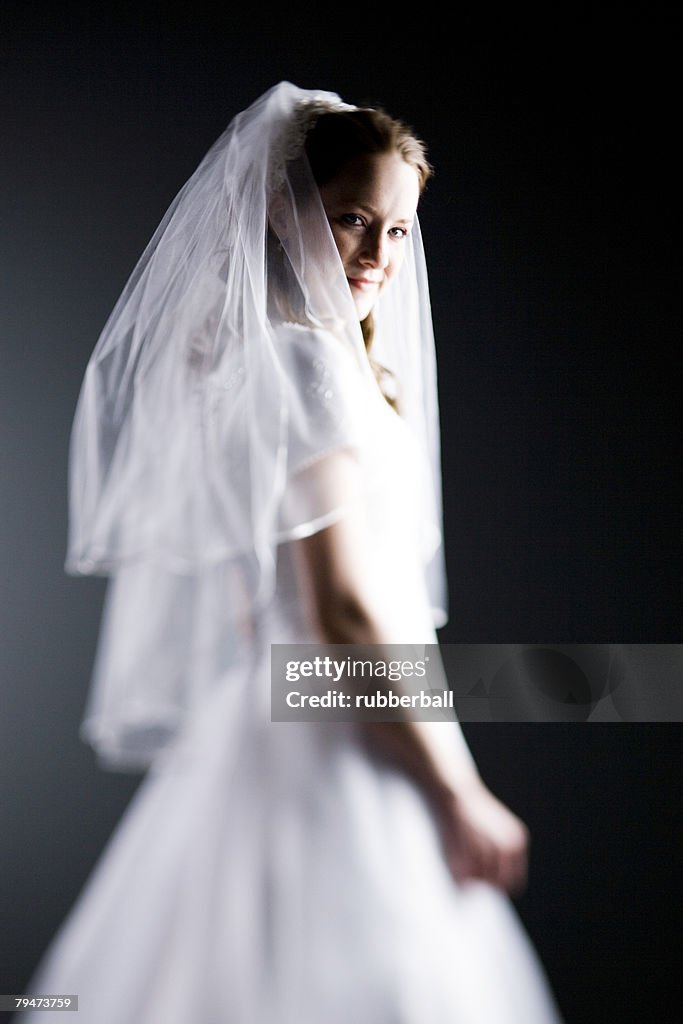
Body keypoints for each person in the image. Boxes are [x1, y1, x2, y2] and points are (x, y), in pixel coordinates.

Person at [18, 82, 564, 1022]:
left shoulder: (242, 355)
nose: (378, 256)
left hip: (263, 719)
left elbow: (253, 605)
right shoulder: (308, 364)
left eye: (397, 231)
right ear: (284, 207)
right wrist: (457, 789)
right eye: (353, 219)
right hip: (331, 735)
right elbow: (344, 614)